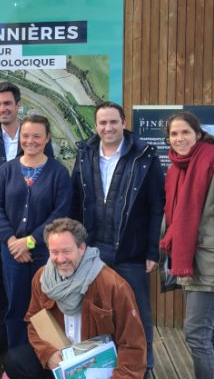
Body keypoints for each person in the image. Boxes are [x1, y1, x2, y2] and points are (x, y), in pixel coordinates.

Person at [69, 101, 164, 374]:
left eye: (113, 122)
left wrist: (151, 251)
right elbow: (76, 201)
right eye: (102, 123)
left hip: (131, 253)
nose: (108, 127)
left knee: (137, 315)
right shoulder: (85, 154)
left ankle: (144, 369)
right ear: (96, 126)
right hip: (92, 252)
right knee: (95, 314)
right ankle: (101, 369)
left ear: (123, 122)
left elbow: (157, 206)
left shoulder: (145, 156)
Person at [161, 111, 214, 379]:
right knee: (207, 332)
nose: (179, 138)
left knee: (195, 334)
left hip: (212, 266)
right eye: (174, 134)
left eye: (185, 132)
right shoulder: (177, 170)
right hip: (190, 264)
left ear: (198, 134)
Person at [4, 218, 146, 379]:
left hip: (98, 367)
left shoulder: (113, 285)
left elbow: (133, 346)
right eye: (54, 252)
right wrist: (48, 354)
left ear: (82, 248)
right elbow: (34, 321)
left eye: (66, 251)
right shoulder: (42, 278)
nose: (61, 259)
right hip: (62, 361)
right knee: (14, 361)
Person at [0, 81, 55, 358]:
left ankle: (35, 342)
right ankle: (2, 335)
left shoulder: (35, 133)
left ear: (18, 105)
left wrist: (29, 240)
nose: (2, 109)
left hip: (32, 230)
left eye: (7, 103)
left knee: (33, 288)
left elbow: (48, 179)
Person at [0, 114, 71, 349]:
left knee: (46, 307)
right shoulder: (6, 170)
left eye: (37, 136)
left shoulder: (59, 173)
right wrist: (12, 241)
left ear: (47, 138)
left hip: (46, 254)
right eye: (25, 136)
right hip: (12, 252)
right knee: (16, 307)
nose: (30, 141)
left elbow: (60, 212)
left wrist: (30, 241)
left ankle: (45, 358)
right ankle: (17, 358)